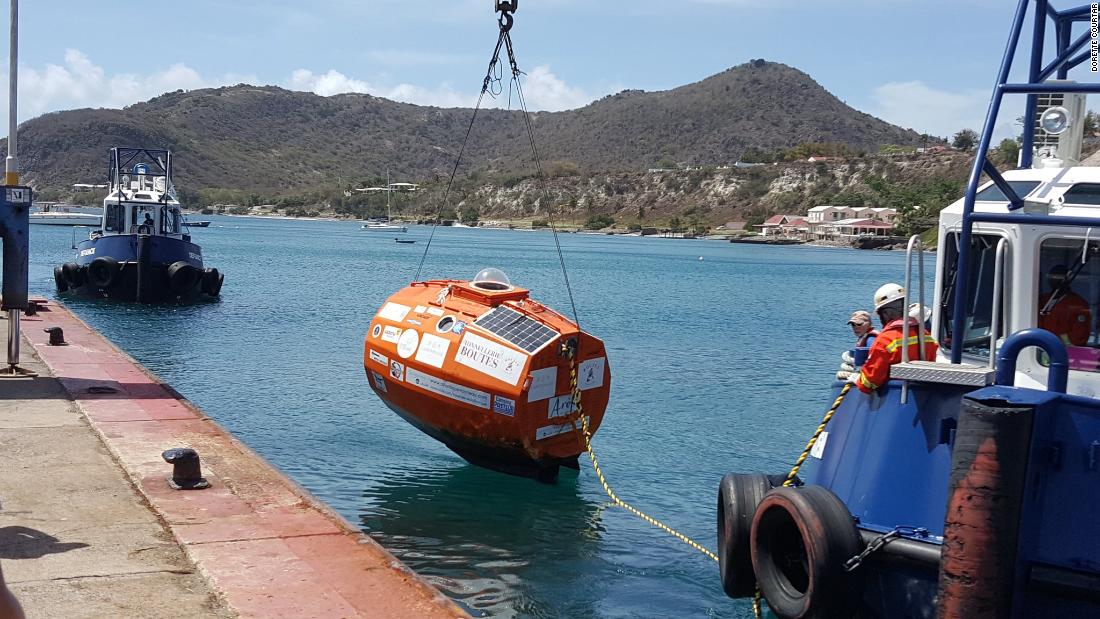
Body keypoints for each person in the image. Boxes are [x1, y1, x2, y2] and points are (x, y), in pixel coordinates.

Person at [854, 283, 939, 394]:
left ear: (886, 313)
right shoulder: (925, 335)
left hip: (897, 397)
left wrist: (856, 379)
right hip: (925, 397)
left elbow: (870, 382)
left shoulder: (885, 340)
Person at [1038, 264, 1092, 346]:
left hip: (1064, 353)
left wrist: (1056, 341)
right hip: (1037, 349)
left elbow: (1078, 337)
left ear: (1067, 281)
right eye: (1052, 278)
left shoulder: (1079, 305)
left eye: (1058, 278)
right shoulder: (1041, 301)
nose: (1054, 281)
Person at [837, 311, 877, 380]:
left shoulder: (871, 339)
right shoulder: (863, 337)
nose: (855, 327)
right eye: (853, 324)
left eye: (859, 324)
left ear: (868, 324)